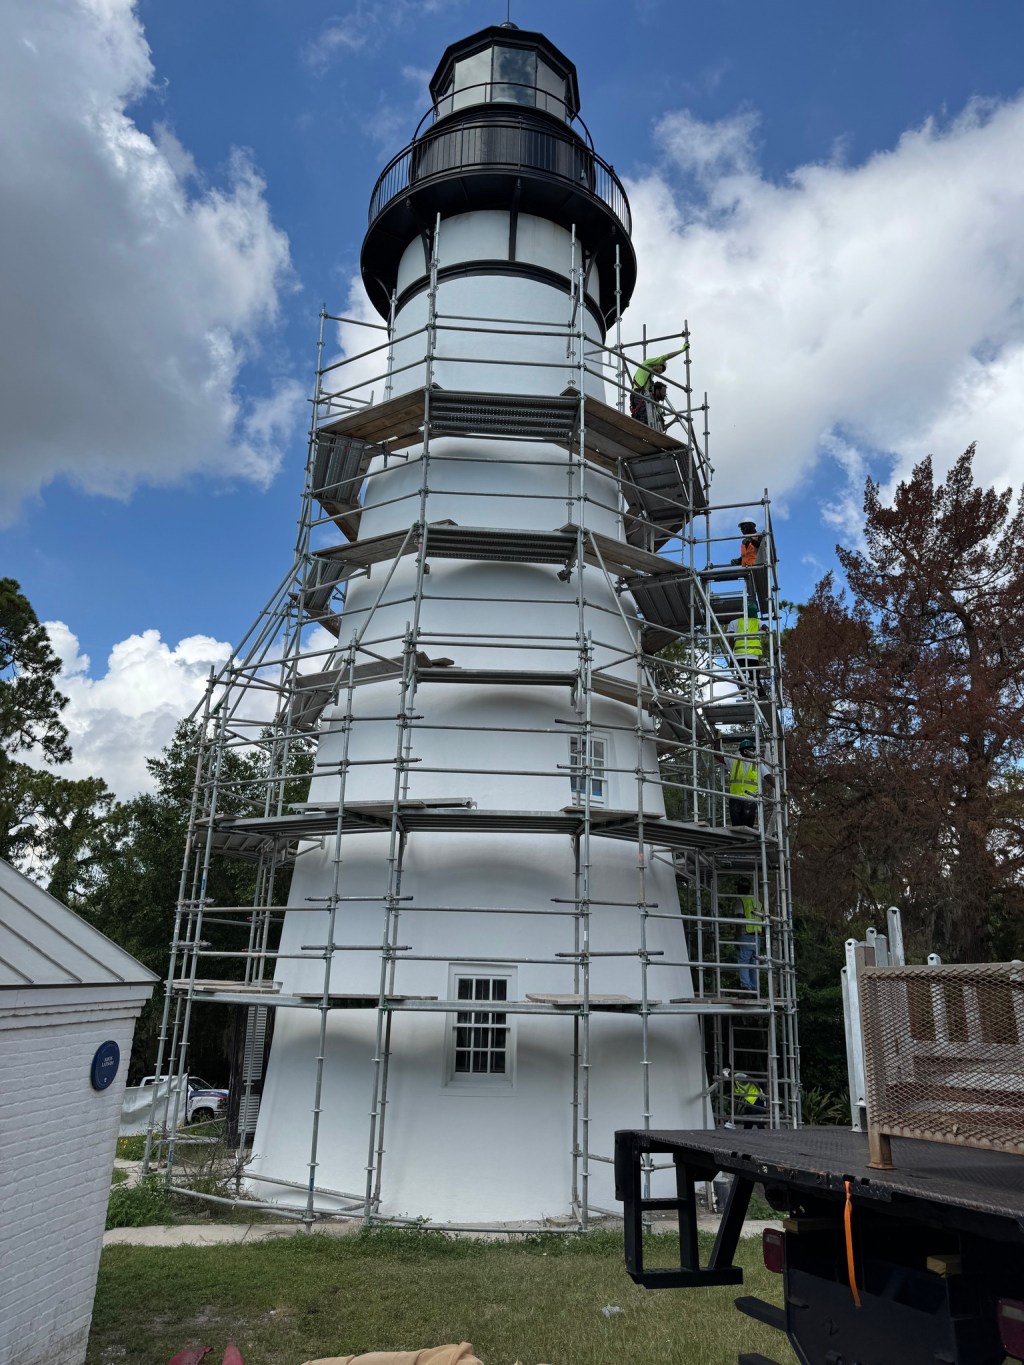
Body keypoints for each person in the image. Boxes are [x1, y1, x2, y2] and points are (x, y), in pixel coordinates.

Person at [629, 345, 688, 427]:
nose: (660, 372)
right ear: (657, 364)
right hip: (637, 394)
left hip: (640, 397)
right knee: (644, 416)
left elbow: (653, 397)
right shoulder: (646, 364)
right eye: (661, 368)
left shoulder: (650, 379)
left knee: (643, 416)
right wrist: (681, 350)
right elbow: (665, 357)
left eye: (662, 371)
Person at [727, 612, 768, 698]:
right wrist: (767, 630)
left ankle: (745, 697)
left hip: (740, 655)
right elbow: (765, 627)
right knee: (755, 677)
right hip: (753, 655)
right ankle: (761, 696)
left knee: (742, 678)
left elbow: (731, 641)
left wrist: (731, 659)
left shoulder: (734, 622)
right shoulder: (757, 621)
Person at [733, 876, 763, 992]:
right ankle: (754, 989)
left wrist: (736, 937)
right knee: (754, 964)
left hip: (745, 935)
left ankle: (746, 987)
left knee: (744, 962)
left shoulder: (741, 901)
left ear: (740, 888)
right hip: (757, 936)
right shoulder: (757, 902)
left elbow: (739, 919)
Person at [726, 738, 759, 828]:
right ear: (743, 751)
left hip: (750, 798)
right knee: (736, 826)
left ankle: (746, 836)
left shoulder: (757, 763)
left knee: (747, 826)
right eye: (749, 750)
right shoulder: (734, 761)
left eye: (752, 750)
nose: (751, 752)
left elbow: (768, 776)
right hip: (735, 798)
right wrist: (717, 739)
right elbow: (718, 756)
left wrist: (779, 788)